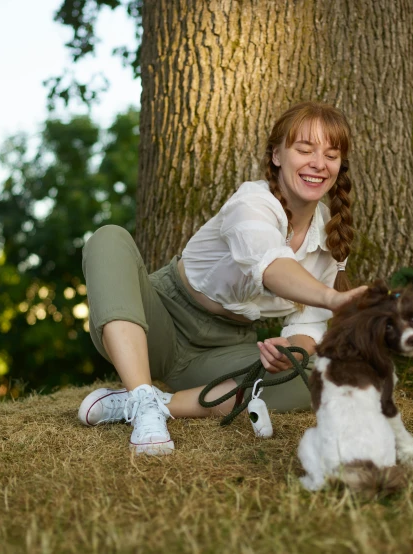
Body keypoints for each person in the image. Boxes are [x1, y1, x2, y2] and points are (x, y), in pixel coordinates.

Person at [77, 101, 367, 455]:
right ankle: (141, 394)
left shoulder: (328, 236)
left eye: (331, 155)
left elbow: (308, 325)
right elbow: (271, 266)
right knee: (108, 238)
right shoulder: (252, 202)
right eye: (304, 149)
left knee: (318, 376)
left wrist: (291, 351)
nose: (318, 164)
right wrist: (332, 297)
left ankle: (158, 404)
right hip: (155, 324)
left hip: (223, 349)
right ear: (276, 155)